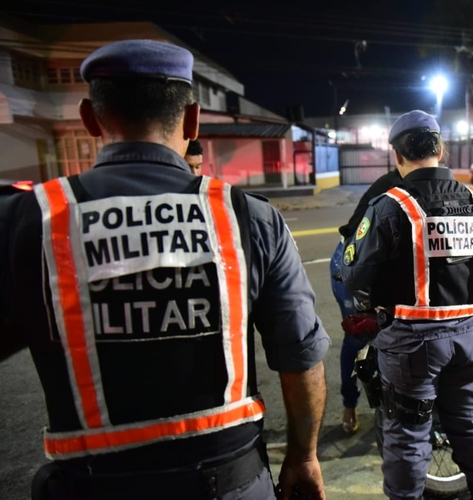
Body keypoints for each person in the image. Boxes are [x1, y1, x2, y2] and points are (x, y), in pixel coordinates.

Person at [0, 40, 329, 500]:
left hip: (92, 486)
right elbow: (300, 358)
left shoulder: (27, 220)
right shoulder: (246, 216)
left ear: (90, 117)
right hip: (232, 484)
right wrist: (303, 456)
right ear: (192, 120)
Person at [341, 110, 473, 500]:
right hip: (470, 337)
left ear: (396, 155)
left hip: (413, 342)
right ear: (441, 149)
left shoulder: (390, 205)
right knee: (469, 420)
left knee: (408, 433)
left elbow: (354, 276)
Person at [330, 168, 403, 434]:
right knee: (358, 336)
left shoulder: (423, 183)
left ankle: (391, 407)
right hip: (351, 264)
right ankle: (349, 404)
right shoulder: (397, 186)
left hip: (383, 266)